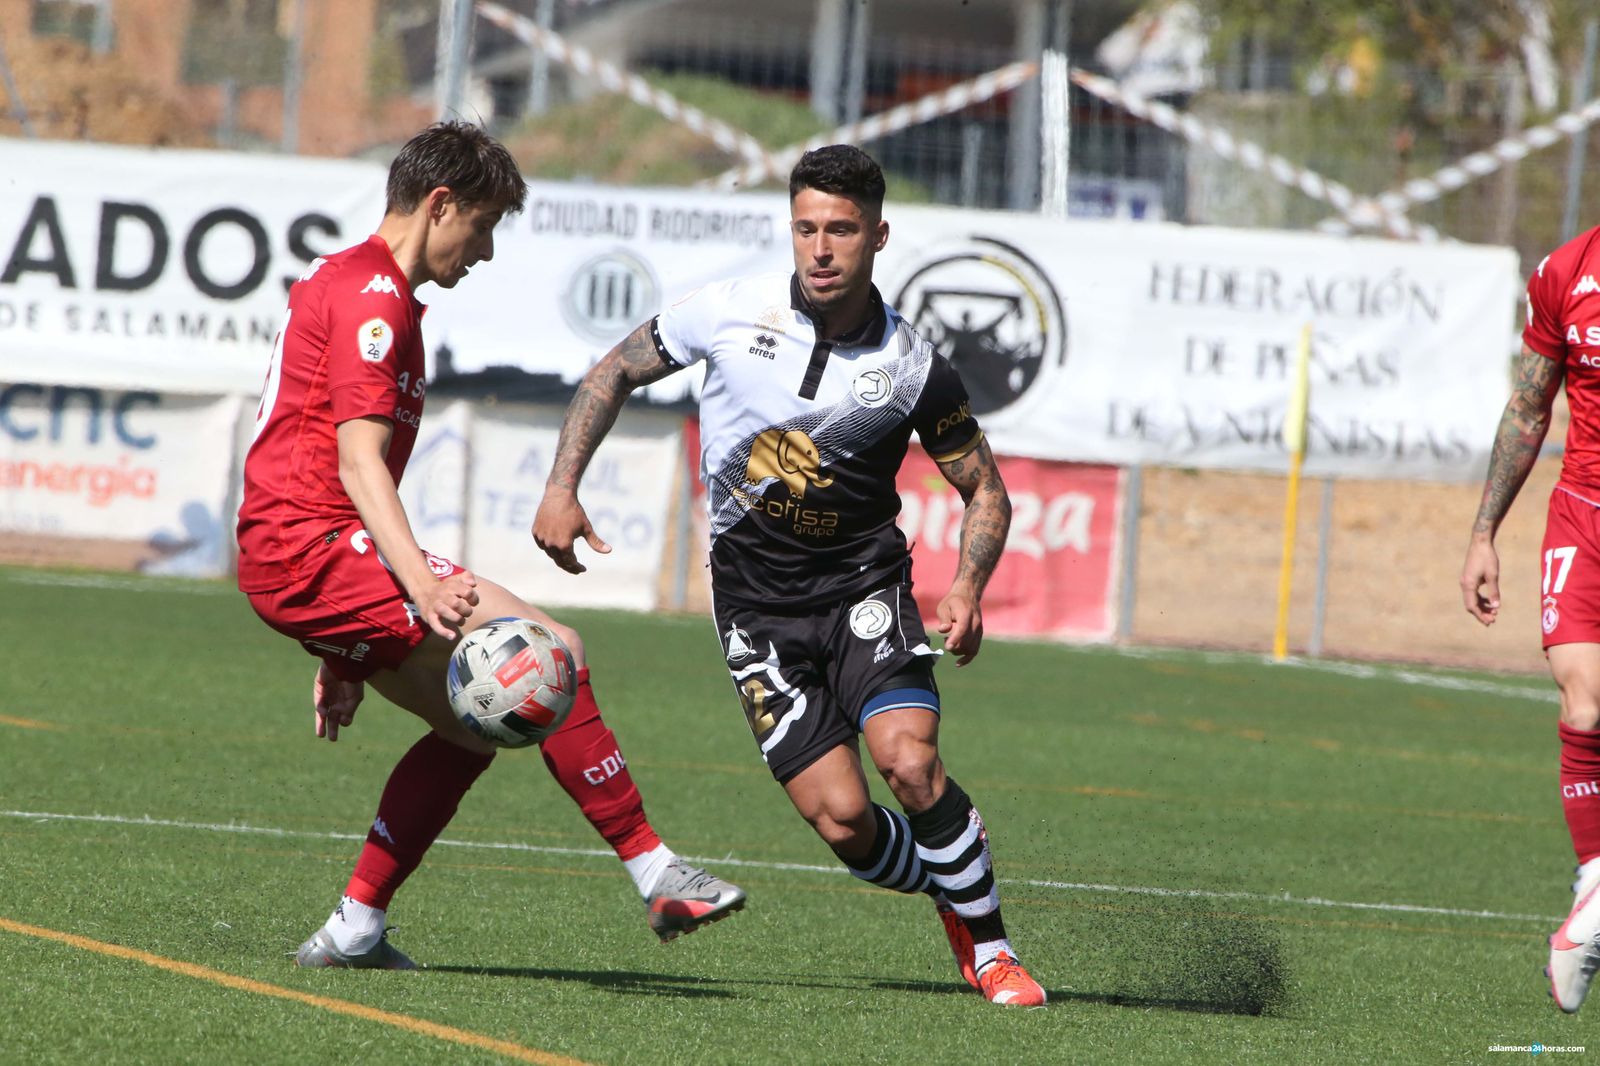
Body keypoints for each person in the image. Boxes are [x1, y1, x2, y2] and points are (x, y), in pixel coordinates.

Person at [533, 144, 1046, 1007]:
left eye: (840, 230)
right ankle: (953, 877)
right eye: (806, 227)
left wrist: (965, 587)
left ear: (877, 236)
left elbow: (983, 491)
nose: (819, 248)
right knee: (844, 822)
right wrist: (560, 486)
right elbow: (615, 368)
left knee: (910, 763)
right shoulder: (730, 310)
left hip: (863, 594)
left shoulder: (915, 368)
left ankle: (992, 949)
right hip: (756, 614)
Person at [236, 122, 745, 969]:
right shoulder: (372, 300)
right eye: (485, 225)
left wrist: (349, 646)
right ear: (441, 205)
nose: (487, 251)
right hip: (312, 547)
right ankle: (658, 872)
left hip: (312, 555)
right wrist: (413, 587)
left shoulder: (364, 286)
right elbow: (358, 463)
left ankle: (355, 928)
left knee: (481, 724)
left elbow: (326, 455)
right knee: (550, 659)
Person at [1461, 224, 1600, 1012]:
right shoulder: (1567, 271)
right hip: (1583, 518)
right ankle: (1595, 886)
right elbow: (1528, 405)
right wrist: (1484, 533)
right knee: (1584, 701)